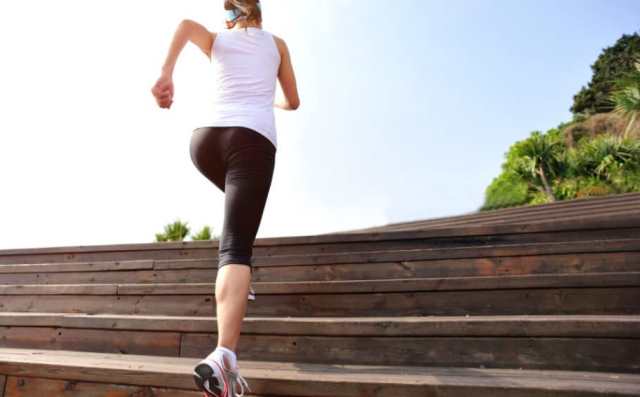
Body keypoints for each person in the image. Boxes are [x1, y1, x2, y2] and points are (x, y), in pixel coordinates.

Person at [150, 1, 300, 396]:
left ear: (231, 13)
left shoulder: (217, 40)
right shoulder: (278, 45)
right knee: (235, 246)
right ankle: (224, 356)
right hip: (250, 140)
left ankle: (240, 279)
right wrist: (271, 100)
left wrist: (166, 74)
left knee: (239, 221)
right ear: (259, 13)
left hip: (205, 141)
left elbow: (184, 23)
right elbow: (294, 100)